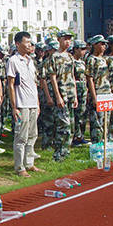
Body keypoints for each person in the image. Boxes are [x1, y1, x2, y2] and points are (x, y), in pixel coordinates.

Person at [7, 31, 42, 177]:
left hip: (33, 103)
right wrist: (14, 107)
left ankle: (29, 163)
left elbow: (34, 83)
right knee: (21, 136)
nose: (29, 45)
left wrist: (37, 103)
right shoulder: (13, 61)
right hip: (22, 104)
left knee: (33, 134)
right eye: (26, 42)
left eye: (30, 42)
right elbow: (10, 84)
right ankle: (20, 166)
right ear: (17, 44)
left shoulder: (30, 60)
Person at [47, 30, 78, 161]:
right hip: (61, 94)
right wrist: (58, 96)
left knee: (71, 124)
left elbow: (72, 76)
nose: (67, 42)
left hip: (70, 94)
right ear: (59, 39)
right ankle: (58, 153)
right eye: (65, 39)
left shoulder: (70, 57)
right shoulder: (54, 57)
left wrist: (75, 95)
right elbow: (53, 77)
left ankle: (66, 151)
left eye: (69, 39)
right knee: (62, 125)